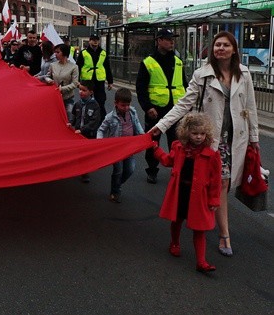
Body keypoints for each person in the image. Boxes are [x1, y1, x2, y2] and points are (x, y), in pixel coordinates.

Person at [149, 31, 259, 257]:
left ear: (234, 49)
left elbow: (251, 107)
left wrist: (255, 138)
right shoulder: (203, 75)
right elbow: (184, 104)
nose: (221, 48)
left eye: (225, 45)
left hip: (235, 138)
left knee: (222, 185)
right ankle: (220, 231)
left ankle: (218, 228)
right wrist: (161, 125)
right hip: (210, 140)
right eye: (217, 44)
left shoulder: (244, 74)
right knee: (217, 184)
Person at [152, 112, 221, 273]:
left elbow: (215, 181)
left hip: (199, 196)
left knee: (200, 228)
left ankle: (201, 261)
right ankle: (175, 243)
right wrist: (156, 149)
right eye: (195, 133)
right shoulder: (179, 147)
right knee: (177, 220)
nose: (198, 137)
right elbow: (169, 161)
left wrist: (214, 200)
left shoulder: (212, 155)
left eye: (202, 134)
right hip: (181, 191)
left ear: (207, 134)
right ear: (186, 132)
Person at [136, 28, 187, 184]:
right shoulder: (148, 62)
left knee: (177, 142)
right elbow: (141, 87)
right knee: (153, 141)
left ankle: (177, 170)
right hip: (156, 110)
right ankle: (152, 170)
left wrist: (187, 106)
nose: (171, 41)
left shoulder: (178, 62)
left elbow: (184, 85)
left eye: (172, 39)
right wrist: (147, 107)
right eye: (167, 39)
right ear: (158, 41)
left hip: (176, 109)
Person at [97, 88, 145, 203]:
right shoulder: (110, 117)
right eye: (123, 105)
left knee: (130, 169)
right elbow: (101, 130)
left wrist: (143, 137)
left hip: (129, 148)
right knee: (118, 170)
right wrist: (99, 142)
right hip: (116, 149)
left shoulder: (132, 112)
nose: (126, 108)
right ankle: (115, 191)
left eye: (128, 105)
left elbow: (137, 125)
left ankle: (117, 184)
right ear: (116, 103)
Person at [70, 80, 102, 183]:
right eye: (80, 89)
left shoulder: (95, 105)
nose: (80, 92)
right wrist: (71, 123)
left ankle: (85, 170)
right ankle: (83, 170)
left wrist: (82, 129)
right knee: (80, 153)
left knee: (87, 154)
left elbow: (94, 122)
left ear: (91, 92)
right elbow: (74, 115)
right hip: (79, 134)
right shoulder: (78, 104)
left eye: (84, 90)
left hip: (89, 135)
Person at [76, 33, 113, 112]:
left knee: (101, 101)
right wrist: (77, 81)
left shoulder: (103, 53)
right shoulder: (83, 53)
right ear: (89, 41)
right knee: (86, 100)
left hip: (99, 80)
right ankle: (86, 117)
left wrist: (110, 81)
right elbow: (78, 67)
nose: (95, 42)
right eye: (93, 40)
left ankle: (101, 119)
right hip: (87, 80)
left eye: (96, 40)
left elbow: (107, 67)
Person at [45, 44, 79, 116]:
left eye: (58, 52)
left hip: (68, 98)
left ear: (64, 53)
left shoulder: (74, 67)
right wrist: (48, 80)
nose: (55, 54)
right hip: (54, 97)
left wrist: (62, 89)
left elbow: (75, 83)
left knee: (69, 117)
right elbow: (47, 76)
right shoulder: (53, 65)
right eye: (55, 52)